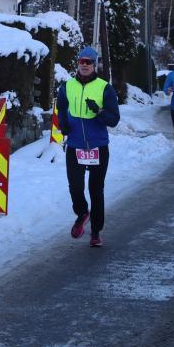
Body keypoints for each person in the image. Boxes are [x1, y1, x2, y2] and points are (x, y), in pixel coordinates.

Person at [56, 46, 120, 248]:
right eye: (81, 61)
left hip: (98, 147)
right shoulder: (67, 87)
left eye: (88, 62)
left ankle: (96, 232)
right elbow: (62, 108)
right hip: (75, 145)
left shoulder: (104, 88)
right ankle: (82, 212)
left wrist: (99, 111)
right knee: (75, 187)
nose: (84, 65)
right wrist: (63, 125)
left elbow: (114, 119)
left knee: (96, 189)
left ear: (95, 64)